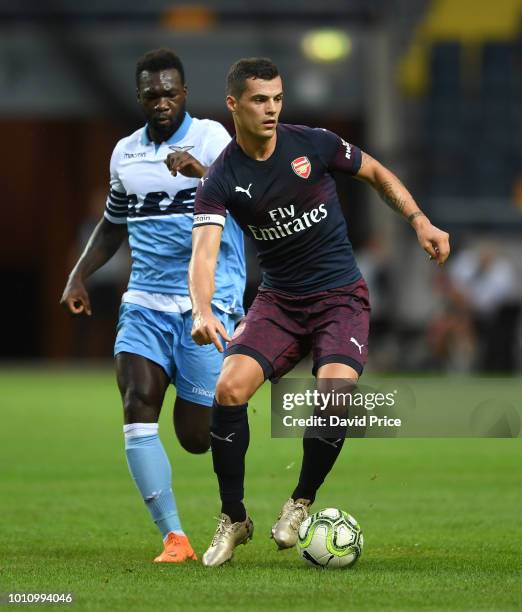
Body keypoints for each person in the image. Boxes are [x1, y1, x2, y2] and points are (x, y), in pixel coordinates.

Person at [188, 57, 450, 567]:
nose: (271, 109)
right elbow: (204, 251)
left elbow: (375, 171)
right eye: (260, 100)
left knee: (333, 396)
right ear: (233, 104)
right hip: (280, 302)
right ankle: (234, 517)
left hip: (339, 298)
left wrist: (419, 220)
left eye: (277, 98)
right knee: (228, 389)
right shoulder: (221, 177)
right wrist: (202, 310)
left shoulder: (313, 143)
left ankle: (300, 502)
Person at [60, 49, 245, 563]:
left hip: (205, 302)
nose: (162, 101)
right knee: (136, 404)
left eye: (171, 92)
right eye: (152, 93)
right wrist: (78, 275)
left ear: (184, 94)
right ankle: (174, 537)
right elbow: (113, 222)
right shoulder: (125, 153)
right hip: (143, 300)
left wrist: (202, 172)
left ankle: (234, 389)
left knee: (194, 437)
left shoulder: (212, 138)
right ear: (140, 96)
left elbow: (248, 198)